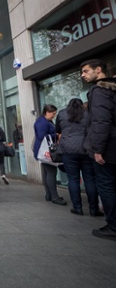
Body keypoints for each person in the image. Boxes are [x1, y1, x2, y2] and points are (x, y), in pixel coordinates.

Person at [81, 59, 116, 241]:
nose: (83, 75)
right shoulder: (112, 88)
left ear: (99, 70)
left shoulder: (99, 90)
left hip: (108, 148)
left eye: (86, 71)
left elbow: (101, 121)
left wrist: (98, 148)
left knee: (106, 186)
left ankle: (113, 226)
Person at [56, 98, 101, 216]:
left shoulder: (62, 114)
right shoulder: (88, 114)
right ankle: (94, 209)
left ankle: (77, 208)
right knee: (90, 179)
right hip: (86, 149)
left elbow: (58, 130)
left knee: (73, 179)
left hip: (68, 150)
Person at [33, 104, 67, 205]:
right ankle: (54, 197)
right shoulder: (42, 122)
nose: (54, 115)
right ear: (47, 112)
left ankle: (49, 195)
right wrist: (56, 135)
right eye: (53, 113)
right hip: (46, 151)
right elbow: (41, 136)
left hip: (43, 151)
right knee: (51, 173)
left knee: (47, 173)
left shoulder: (44, 121)